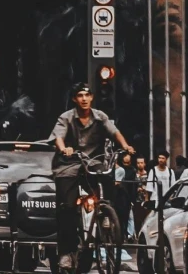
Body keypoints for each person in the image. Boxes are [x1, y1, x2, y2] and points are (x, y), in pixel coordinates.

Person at [50, 83, 133, 273]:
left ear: (92, 97)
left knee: (108, 177)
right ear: (74, 99)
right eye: (80, 95)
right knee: (67, 208)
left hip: (92, 164)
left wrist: (126, 146)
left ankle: (106, 213)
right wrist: (64, 149)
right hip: (68, 165)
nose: (84, 99)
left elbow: (114, 132)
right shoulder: (66, 117)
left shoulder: (100, 116)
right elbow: (59, 137)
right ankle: (66, 252)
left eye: (87, 95)